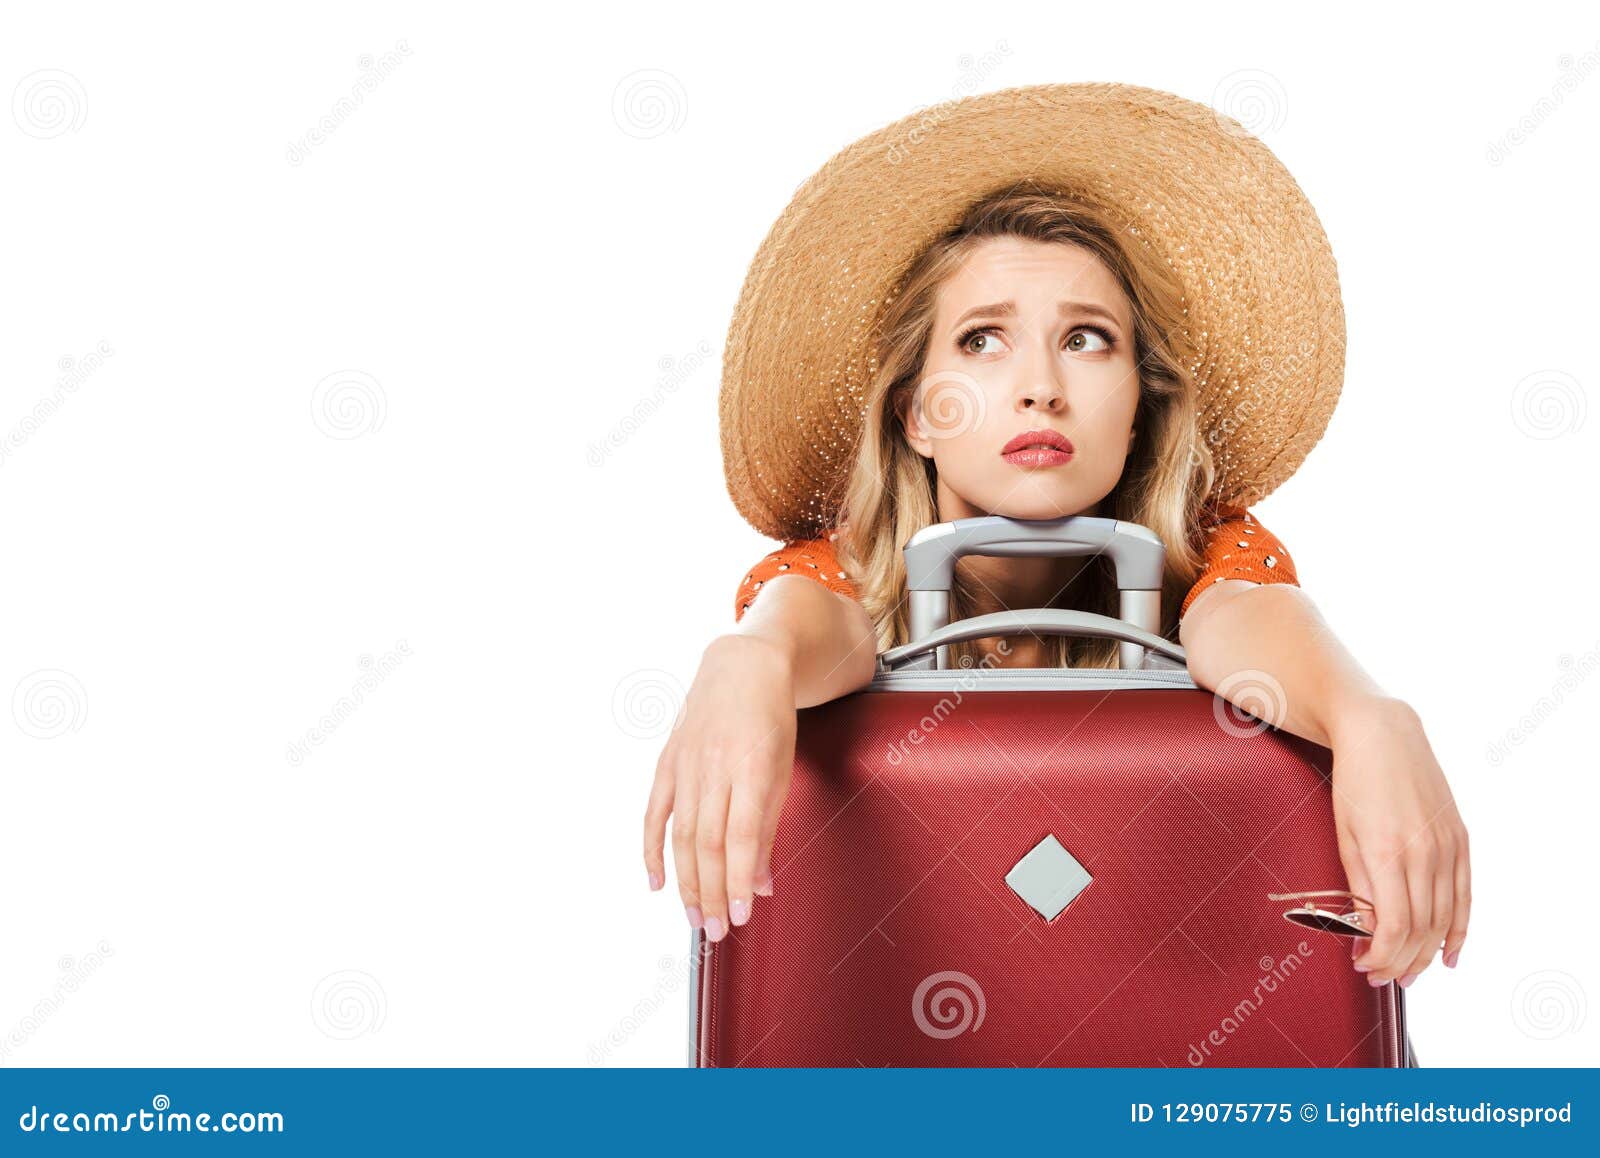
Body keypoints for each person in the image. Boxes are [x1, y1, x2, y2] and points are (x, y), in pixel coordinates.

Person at [643, 85, 1469, 1001]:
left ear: (1138, 403)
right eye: (984, 340)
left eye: (1086, 339)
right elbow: (824, 618)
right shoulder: (837, 574)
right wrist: (746, 658)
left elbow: (1244, 621)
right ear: (918, 412)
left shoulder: (1205, 558)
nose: (1040, 385)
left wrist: (1369, 715)